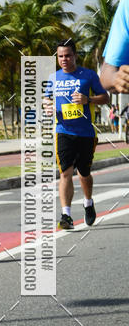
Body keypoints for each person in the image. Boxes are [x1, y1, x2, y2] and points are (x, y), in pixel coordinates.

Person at [44, 39, 109, 230]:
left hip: (85, 133)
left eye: (68, 55)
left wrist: (88, 99)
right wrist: (47, 106)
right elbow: (47, 99)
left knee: (84, 173)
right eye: (60, 56)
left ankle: (88, 202)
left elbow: (105, 97)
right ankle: (66, 215)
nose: (64, 59)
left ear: (75, 56)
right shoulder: (53, 78)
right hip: (63, 131)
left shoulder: (88, 75)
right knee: (65, 172)